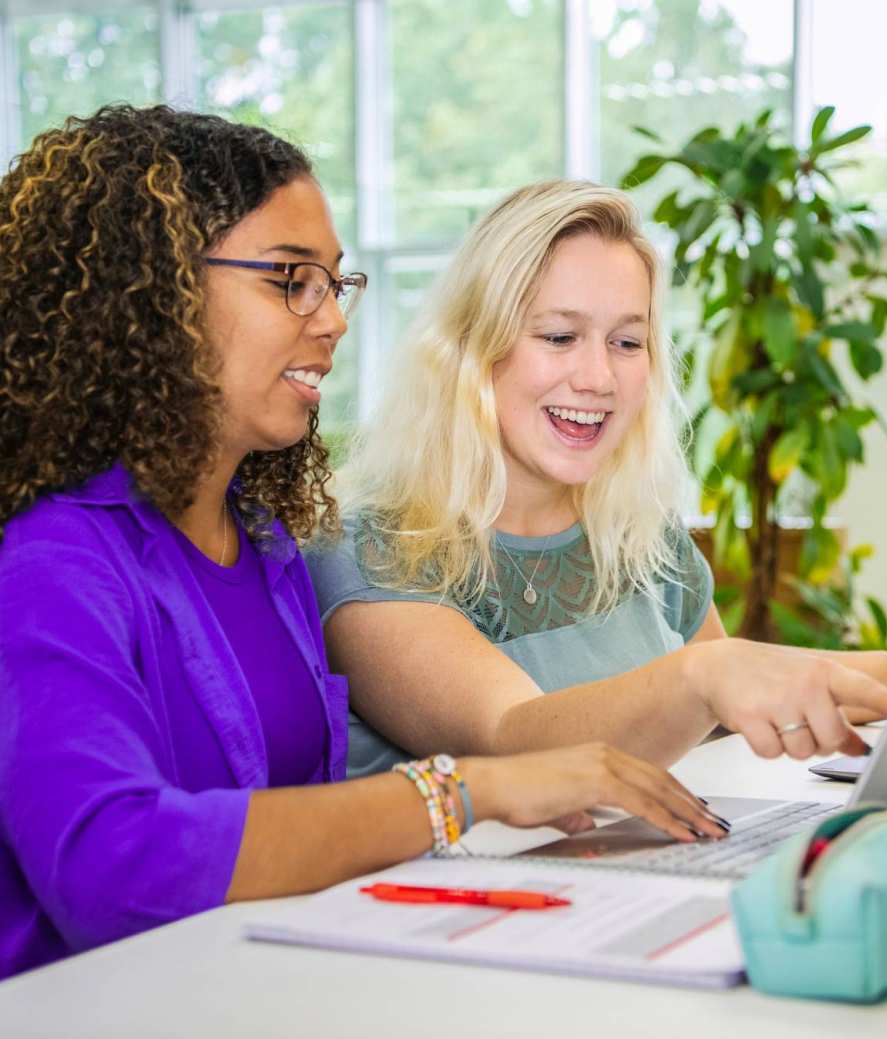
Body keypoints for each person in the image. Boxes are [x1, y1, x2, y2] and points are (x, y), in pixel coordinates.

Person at [0, 109, 723, 980]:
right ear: (153, 293)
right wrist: (465, 790)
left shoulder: (265, 548)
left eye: (336, 285)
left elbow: (301, 827)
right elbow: (113, 862)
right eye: (289, 280)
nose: (332, 320)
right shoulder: (49, 564)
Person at [306, 179, 887, 780]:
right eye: (560, 337)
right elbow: (511, 735)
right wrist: (703, 676)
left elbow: (736, 693)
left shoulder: (636, 531)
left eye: (626, 342)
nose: (599, 377)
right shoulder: (370, 548)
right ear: (471, 349)